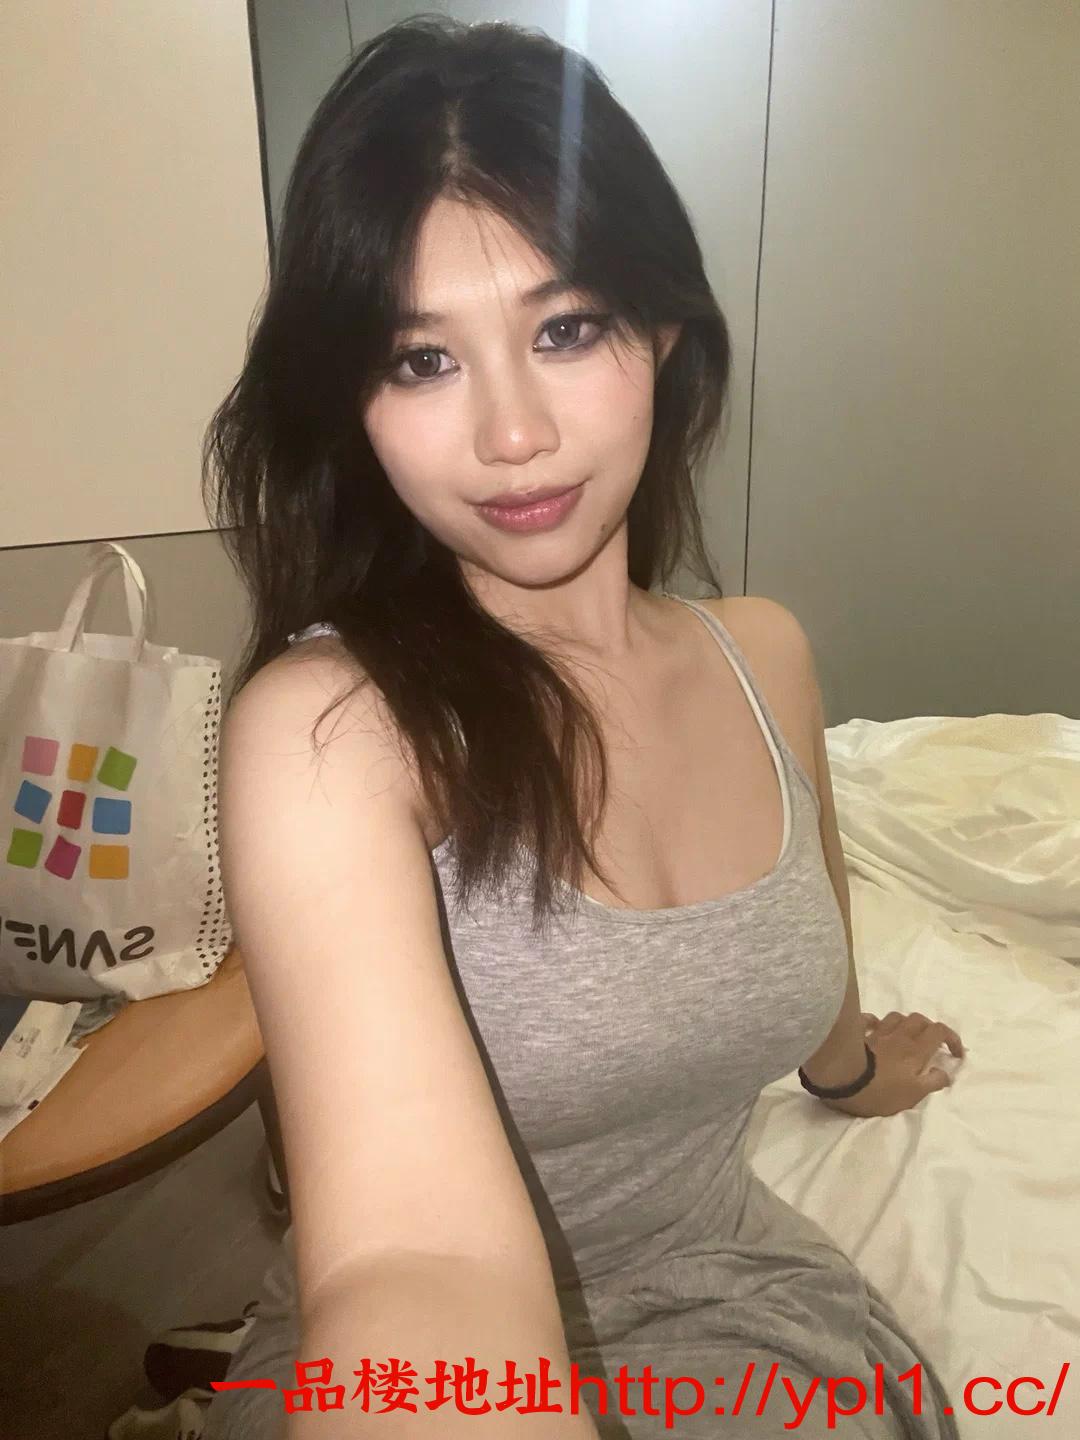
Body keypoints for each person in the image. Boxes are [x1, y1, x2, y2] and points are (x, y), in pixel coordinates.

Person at [200, 16, 965, 1440]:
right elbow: (408, 1261)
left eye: (566, 330)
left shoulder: (764, 656)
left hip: (731, 1298)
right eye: (420, 361)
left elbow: (813, 947)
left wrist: (853, 1068)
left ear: (663, 329)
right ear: (352, 402)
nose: (513, 435)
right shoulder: (331, 733)